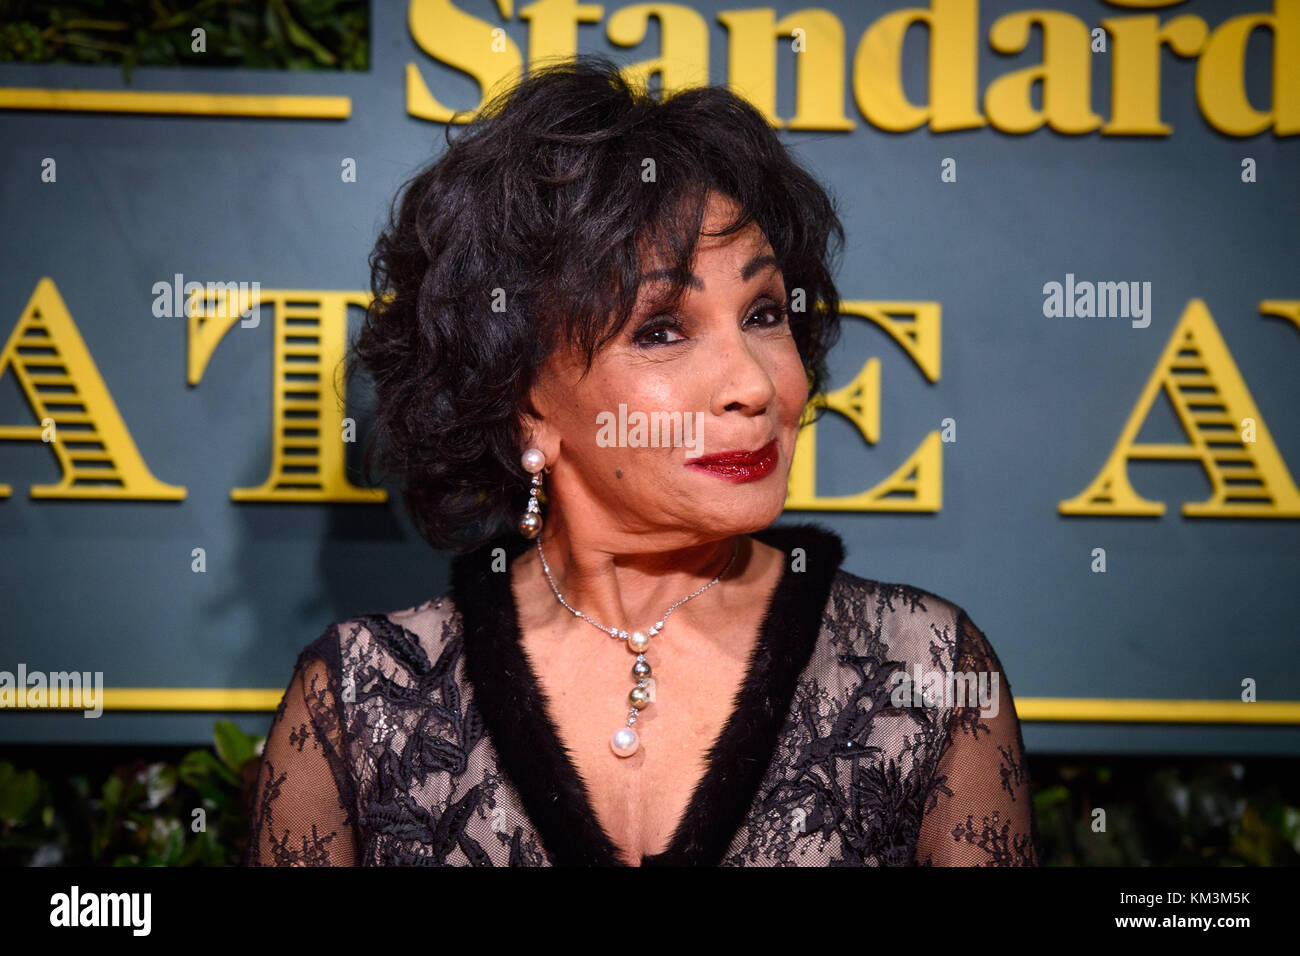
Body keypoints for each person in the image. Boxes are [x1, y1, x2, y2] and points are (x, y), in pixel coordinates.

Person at [243, 54, 1040, 867]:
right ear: (522, 401)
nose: (754, 385)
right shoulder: (356, 705)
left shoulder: (927, 673)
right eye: (661, 329)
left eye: (764, 314)